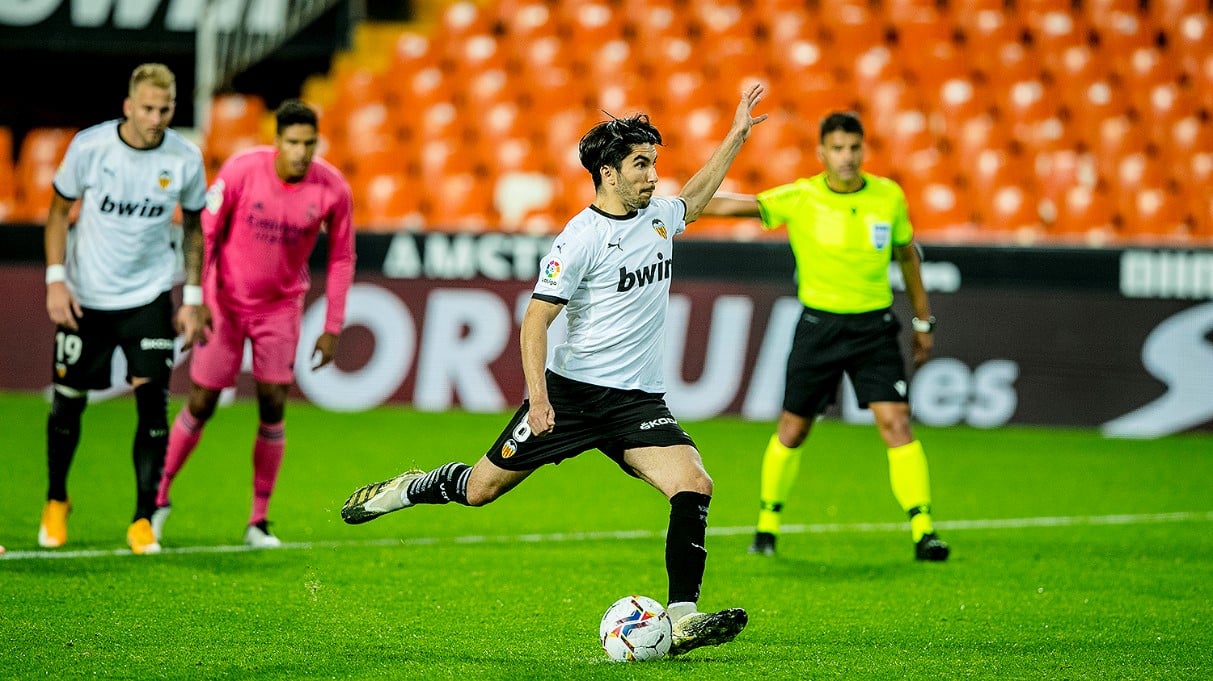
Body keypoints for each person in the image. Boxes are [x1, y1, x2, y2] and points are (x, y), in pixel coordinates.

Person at [341, 84, 768, 655]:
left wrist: (736, 135)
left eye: (654, 164)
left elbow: (696, 194)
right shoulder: (581, 238)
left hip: (637, 401)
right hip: (571, 397)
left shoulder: (662, 217)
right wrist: (539, 400)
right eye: (641, 165)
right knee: (480, 490)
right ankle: (408, 488)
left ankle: (683, 617)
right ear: (609, 174)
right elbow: (536, 321)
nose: (653, 176)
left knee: (694, 483)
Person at [704, 111, 951, 562]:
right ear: (821, 153)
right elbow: (732, 205)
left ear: (863, 150)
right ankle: (767, 524)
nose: (847, 157)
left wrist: (922, 321)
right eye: (838, 148)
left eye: (854, 148)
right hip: (819, 328)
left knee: (896, 423)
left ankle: (924, 529)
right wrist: (673, 205)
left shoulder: (888, 196)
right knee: (793, 429)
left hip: (874, 328)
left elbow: (908, 258)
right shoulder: (801, 197)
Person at [153, 99, 355, 548]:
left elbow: (341, 257)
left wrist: (333, 325)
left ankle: (258, 521)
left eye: (309, 143)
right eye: (292, 142)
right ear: (277, 141)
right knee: (202, 402)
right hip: (224, 303)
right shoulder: (243, 170)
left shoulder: (333, 189)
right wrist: (200, 298)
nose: (301, 152)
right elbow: (205, 232)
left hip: (279, 309)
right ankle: (157, 500)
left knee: (273, 405)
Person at [39, 63, 209, 555]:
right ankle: (56, 498)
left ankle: (142, 516)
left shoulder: (184, 158)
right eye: (149, 108)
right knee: (68, 401)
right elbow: (57, 212)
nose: (157, 118)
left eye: (166, 109)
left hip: (149, 294)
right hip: (88, 294)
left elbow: (195, 228)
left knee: (153, 401)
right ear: (128, 106)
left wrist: (192, 298)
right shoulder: (90, 148)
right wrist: (56, 280)